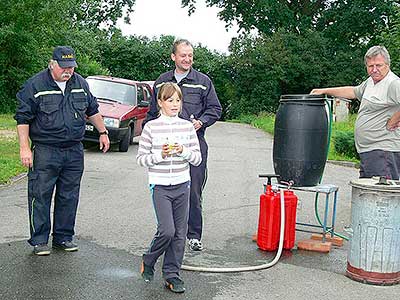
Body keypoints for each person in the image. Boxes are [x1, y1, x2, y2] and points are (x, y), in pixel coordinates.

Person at [14, 46, 110, 256]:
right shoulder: (35, 85)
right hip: (46, 150)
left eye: (72, 67)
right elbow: (23, 119)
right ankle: (39, 240)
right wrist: (24, 148)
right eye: (64, 67)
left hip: (74, 150)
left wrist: (103, 132)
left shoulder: (80, 83)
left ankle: (63, 238)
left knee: (69, 195)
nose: (68, 71)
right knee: (40, 195)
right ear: (53, 64)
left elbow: (92, 110)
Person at [145, 38, 222, 251]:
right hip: (166, 146)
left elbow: (215, 109)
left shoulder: (203, 81)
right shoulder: (161, 82)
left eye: (190, 55)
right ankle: (166, 231)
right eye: (183, 55)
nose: (187, 59)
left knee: (193, 190)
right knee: (165, 188)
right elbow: (152, 112)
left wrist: (201, 122)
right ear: (173, 57)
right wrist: (150, 138)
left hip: (193, 143)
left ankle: (193, 235)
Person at [137, 82, 201, 293]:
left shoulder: (187, 127)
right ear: (160, 103)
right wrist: (161, 155)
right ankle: (149, 258)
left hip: (183, 185)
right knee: (167, 230)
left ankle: (172, 275)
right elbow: (141, 160)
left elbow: (197, 159)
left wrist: (183, 151)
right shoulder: (151, 127)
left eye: (178, 100)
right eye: (169, 100)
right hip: (161, 186)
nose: (175, 104)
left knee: (180, 234)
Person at [311, 45, 400, 179]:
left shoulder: (393, 83)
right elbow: (353, 91)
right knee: (367, 194)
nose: (374, 70)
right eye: (370, 66)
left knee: (379, 196)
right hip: (368, 151)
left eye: (378, 65)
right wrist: (324, 91)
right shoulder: (370, 82)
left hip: (383, 152)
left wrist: (394, 120)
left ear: (387, 64)